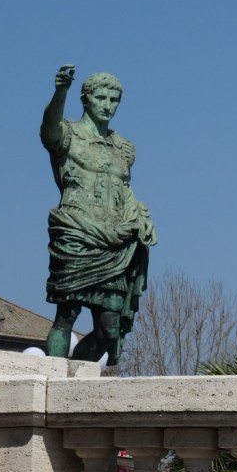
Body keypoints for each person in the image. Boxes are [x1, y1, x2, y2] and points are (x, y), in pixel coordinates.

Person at [40, 64, 156, 365]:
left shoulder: (124, 148)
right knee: (66, 315)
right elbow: (49, 128)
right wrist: (60, 92)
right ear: (85, 99)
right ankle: (55, 379)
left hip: (114, 242)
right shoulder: (68, 135)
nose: (107, 106)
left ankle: (78, 372)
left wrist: (138, 214)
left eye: (113, 100)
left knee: (109, 331)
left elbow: (125, 190)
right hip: (76, 232)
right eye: (101, 98)